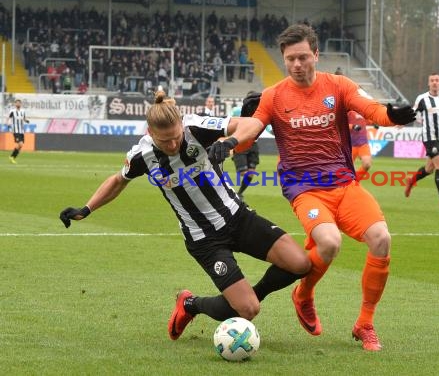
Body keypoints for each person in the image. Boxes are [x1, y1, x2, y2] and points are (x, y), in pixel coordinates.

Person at [207, 24, 416, 351]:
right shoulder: (274, 96)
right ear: (284, 59)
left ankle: (365, 323)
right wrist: (230, 142)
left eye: (303, 57)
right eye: (290, 58)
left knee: (381, 239)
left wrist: (393, 116)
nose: (297, 64)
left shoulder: (339, 85)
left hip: (344, 184)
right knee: (329, 241)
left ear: (316, 55)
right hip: (304, 187)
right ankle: (303, 294)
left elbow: (372, 110)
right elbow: (253, 126)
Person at [59, 90, 311, 341]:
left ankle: (250, 295)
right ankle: (191, 304)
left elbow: (251, 124)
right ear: (150, 133)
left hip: (238, 217)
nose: (172, 145)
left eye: (175, 137)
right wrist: (86, 209)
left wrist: (228, 142)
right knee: (248, 310)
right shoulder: (142, 156)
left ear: (181, 124)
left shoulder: (197, 128)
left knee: (301, 264)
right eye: (164, 140)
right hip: (205, 240)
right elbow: (117, 181)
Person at [404, 73, 439, 213]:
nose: (435, 82)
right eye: (432, 80)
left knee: (429, 169)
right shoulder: (422, 99)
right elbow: (412, 112)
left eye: (437, 80)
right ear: (428, 83)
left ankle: (412, 181)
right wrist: (400, 122)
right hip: (429, 137)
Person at [231, 91, 262, 200]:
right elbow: (231, 123)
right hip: (241, 144)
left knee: (251, 174)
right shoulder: (237, 111)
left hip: (253, 145)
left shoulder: (260, 112)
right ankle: (229, 191)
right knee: (243, 172)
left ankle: (239, 193)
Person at [348, 110, 378, 181]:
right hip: (350, 145)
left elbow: (367, 121)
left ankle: (356, 181)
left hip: (363, 143)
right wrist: (353, 126)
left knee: (367, 164)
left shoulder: (362, 112)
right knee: (347, 168)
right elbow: (341, 124)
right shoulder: (348, 112)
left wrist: (374, 123)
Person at [6, 99, 30, 164]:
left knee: (21, 145)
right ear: (15, 104)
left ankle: (13, 157)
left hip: (21, 130)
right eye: (17, 103)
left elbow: (24, 118)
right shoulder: (12, 111)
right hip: (15, 130)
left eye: (19, 103)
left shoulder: (23, 111)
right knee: (20, 144)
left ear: (21, 104)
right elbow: (8, 118)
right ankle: (11, 156)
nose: (18, 104)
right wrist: (7, 123)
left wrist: (26, 120)